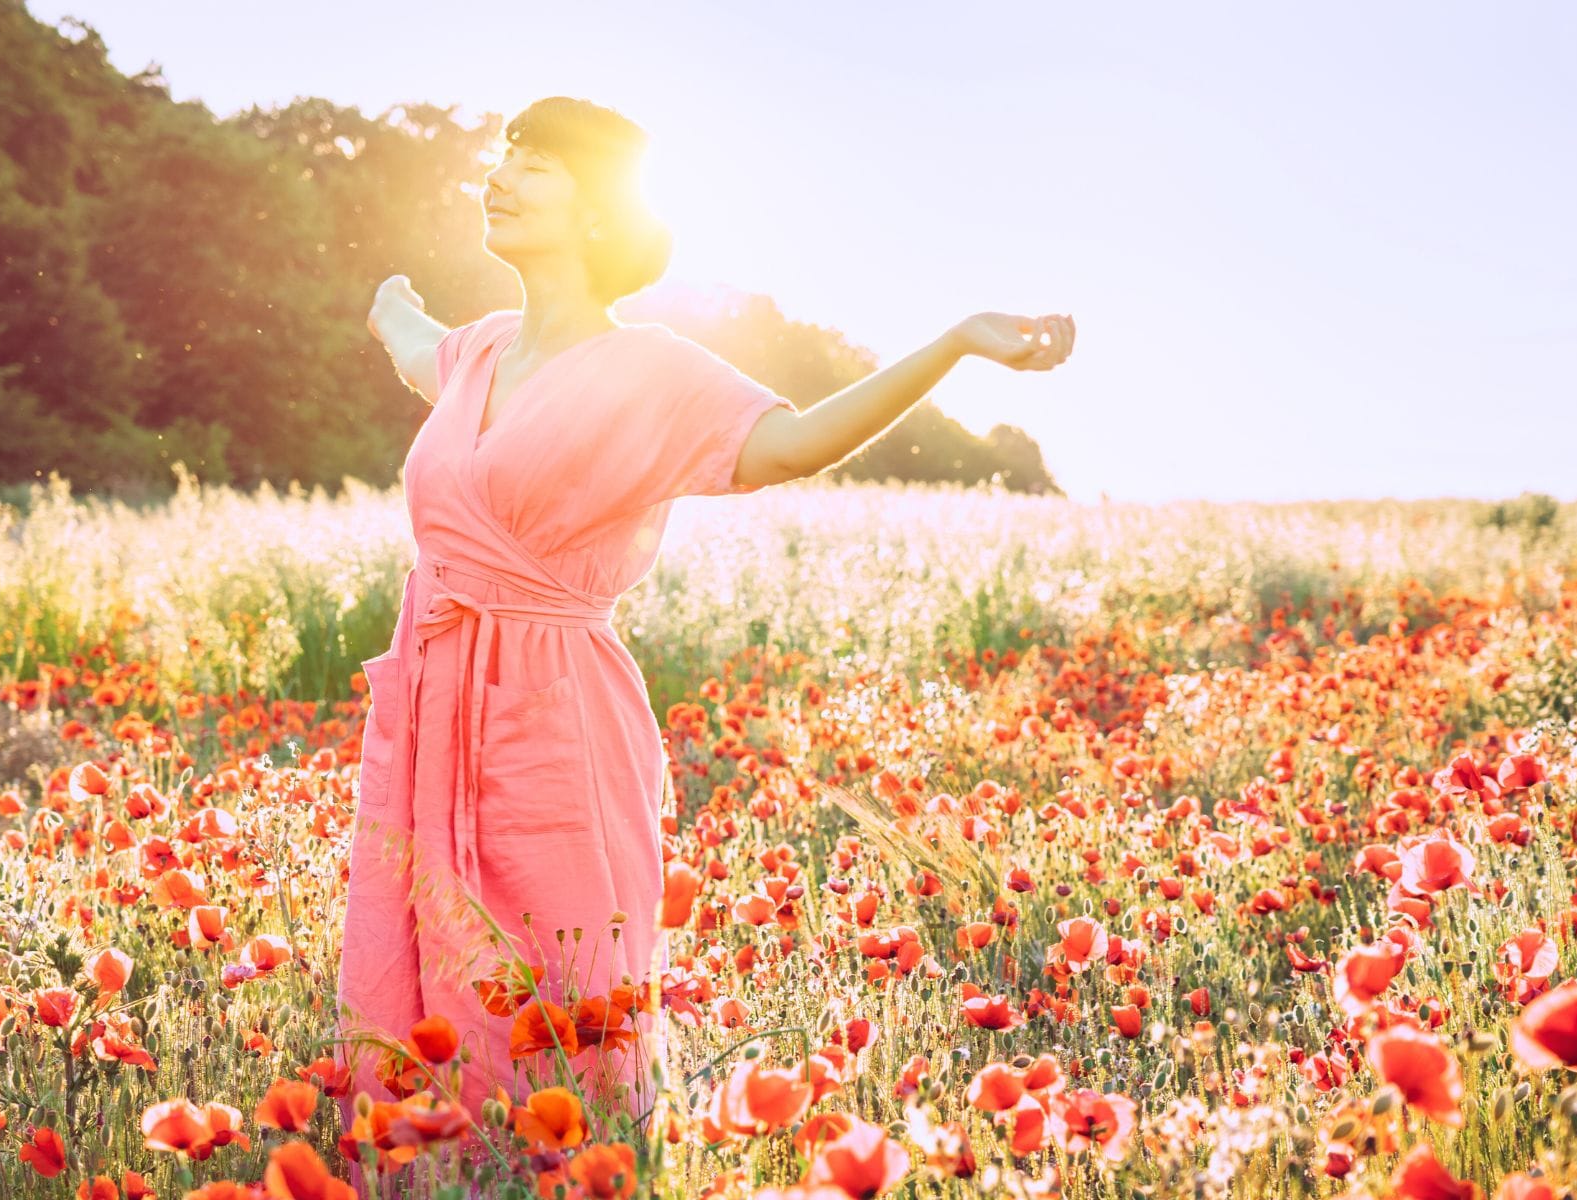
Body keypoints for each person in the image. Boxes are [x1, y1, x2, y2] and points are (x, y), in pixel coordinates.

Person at [337, 94, 1073, 1183]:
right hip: (436, 698)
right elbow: (410, 348)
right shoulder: (477, 354)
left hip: (556, 715)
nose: (501, 175)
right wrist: (390, 303)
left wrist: (957, 342)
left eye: (534, 164)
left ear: (597, 213)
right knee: (431, 958)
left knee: (566, 983)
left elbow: (793, 442)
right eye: (504, 155)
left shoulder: (657, 370)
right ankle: (438, 1175)